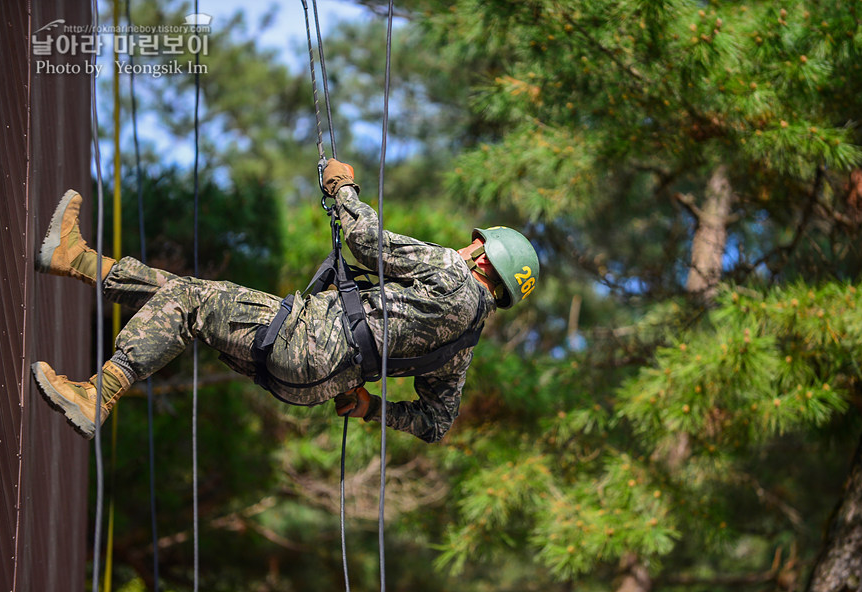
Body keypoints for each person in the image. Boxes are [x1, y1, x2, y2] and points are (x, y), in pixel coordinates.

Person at [31, 159, 540, 443]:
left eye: (477, 243)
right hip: (311, 384)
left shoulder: (452, 273)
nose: (467, 244)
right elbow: (436, 423)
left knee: (190, 298)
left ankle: (98, 394)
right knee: (194, 303)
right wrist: (369, 408)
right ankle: (75, 259)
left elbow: (367, 242)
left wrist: (343, 188)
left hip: (304, 340)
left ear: (484, 260)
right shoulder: (463, 349)